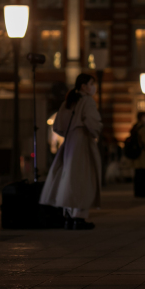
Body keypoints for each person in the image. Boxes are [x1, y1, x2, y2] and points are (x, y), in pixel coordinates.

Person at [40, 74, 102, 230]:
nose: (93, 87)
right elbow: (93, 123)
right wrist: (95, 130)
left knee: (67, 177)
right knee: (83, 178)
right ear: (83, 86)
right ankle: (79, 217)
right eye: (91, 83)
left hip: (69, 142)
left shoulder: (68, 102)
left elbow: (58, 126)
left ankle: (67, 214)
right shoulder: (87, 101)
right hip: (82, 140)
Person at [130, 112, 145, 198]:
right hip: (142, 154)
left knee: (137, 175)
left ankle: (137, 192)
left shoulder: (135, 127)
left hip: (136, 154)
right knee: (143, 175)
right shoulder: (142, 128)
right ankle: (142, 193)